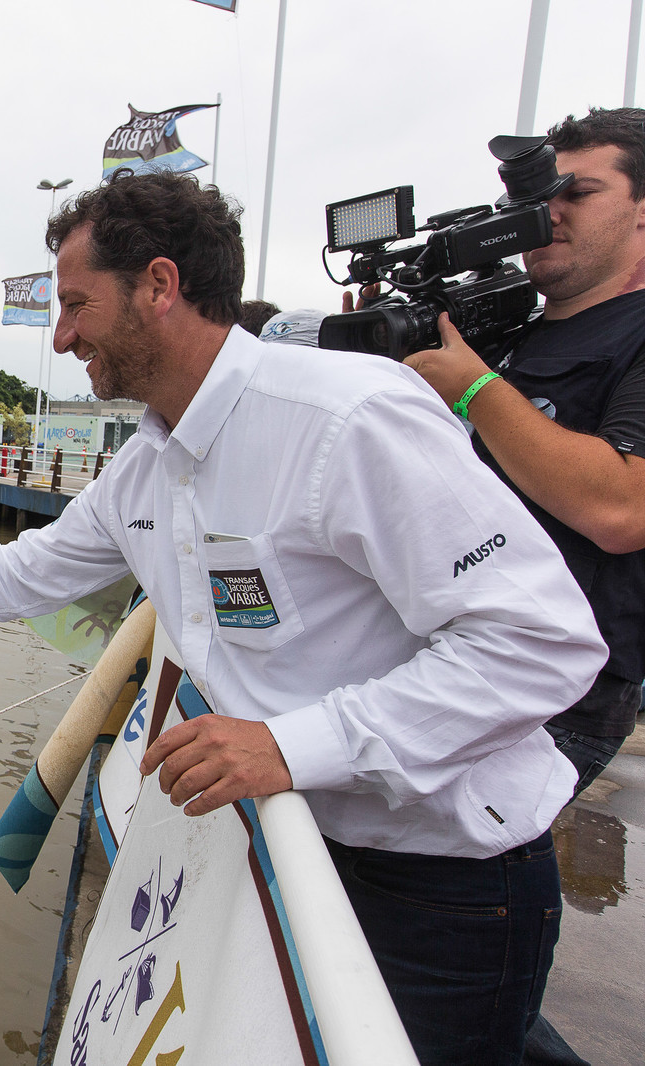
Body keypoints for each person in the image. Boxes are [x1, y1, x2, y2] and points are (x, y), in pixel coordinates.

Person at [0, 171, 606, 1066]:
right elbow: (28, 569)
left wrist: (289, 744)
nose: (62, 335)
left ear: (159, 286)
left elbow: (539, 644)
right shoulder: (148, 465)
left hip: (442, 886)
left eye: (78, 305)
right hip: (293, 847)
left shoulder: (345, 418)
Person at [394, 106, 645, 1066]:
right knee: (421, 922)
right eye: (537, 198)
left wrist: (470, 389)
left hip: (561, 691)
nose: (549, 216)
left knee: (446, 922)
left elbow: (621, 507)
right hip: (455, 656)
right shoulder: (507, 333)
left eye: (578, 193)